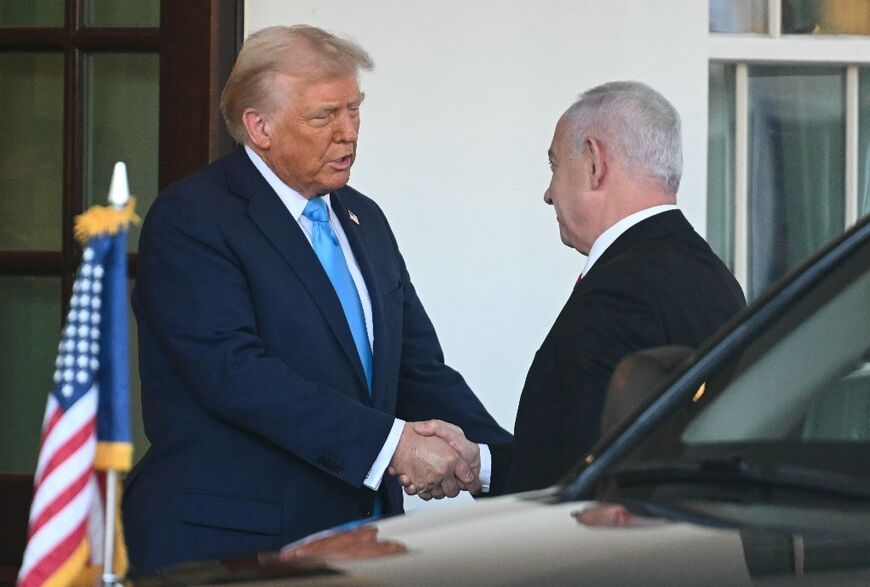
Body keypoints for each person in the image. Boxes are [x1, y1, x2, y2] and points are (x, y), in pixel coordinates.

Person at [122, 25, 511, 573]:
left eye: (355, 110)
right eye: (324, 116)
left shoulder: (364, 218)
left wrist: (500, 467)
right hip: (235, 548)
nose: (348, 133)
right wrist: (394, 447)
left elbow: (416, 372)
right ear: (259, 127)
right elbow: (237, 375)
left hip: (366, 544)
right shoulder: (193, 219)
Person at [409, 81, 745, 497]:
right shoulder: (709, 274)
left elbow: (581, 487)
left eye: (553, 165)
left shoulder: (622, 295)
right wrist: (483, 464)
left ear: (594, 163)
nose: (548, 193)